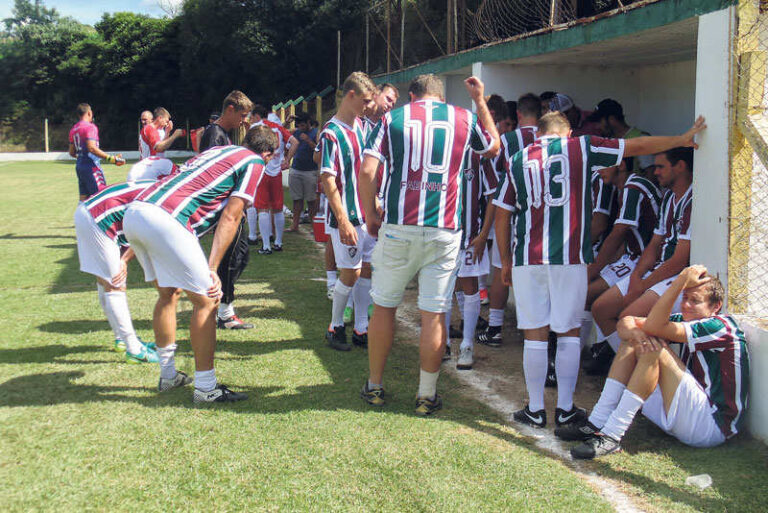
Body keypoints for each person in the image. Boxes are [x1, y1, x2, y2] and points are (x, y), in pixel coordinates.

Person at [493, 112, 706, 429]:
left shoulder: (518, 158)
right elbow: (635, 146)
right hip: (570, 256)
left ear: (538, 134)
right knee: (568, 331)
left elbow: (502, 214)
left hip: (527, 256)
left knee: (534, 333)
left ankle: (536, 409)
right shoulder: (580, 147)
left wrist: (506, 260)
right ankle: (564, 408)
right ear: (566, 133)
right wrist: (679, 139)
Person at [358, 73, 500, 415]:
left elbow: (366, 172)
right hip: (445, 229)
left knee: (384, 307)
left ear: (412, 96)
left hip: (399, 225)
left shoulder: (392, 117)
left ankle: (375, 386)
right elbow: (493, 147)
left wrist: (369, 214)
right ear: (442, 96)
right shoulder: (463, 117)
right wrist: (480, 101)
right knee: (434, 314)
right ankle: (426, 394)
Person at [122, 126, 276, 403]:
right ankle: (206, 388)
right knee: (207, 300)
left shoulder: (219, 150)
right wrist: (212, 267)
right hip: (168, 218)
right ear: (267, 154)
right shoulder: (253, 162)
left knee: (168, 294)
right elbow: (231, 216)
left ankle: (168, 375)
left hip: (136, 210)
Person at [558, 266, 749, 459]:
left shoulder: (721, 326)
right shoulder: (685, 321)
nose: (686, 306)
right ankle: (596, 423)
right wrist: (635, 333)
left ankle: (612, 435)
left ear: (716, 306)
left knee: (652, 346)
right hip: (689, 413)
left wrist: (679, 281)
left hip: (712, 425)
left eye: (695, 301)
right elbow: (626, 322)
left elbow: (653, 325)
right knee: (637, 339)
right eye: (684, 298)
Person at [591, 147, 695, 367]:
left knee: (628, 319)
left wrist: (641, 286)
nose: (655, 172)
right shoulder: (669, 196)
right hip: (650, 268)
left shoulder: (694, 199)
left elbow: (679, 260)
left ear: (681, 166)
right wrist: (637, 277)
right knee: (601, 309)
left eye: (660, 167)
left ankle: (640, 378)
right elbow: (655, 244)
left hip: (677, 277)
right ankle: (628, 369)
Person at [581, 157, 662, 374]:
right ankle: (599, 351)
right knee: (588, 296)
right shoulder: (625, 187)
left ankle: (624, 365)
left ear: (622, 165)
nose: (599, 171)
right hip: (632, 257)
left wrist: (593, 270)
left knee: (591, 297)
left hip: (645, 261)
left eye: (603, 165)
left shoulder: (634, 187)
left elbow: (618, 234)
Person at [319, 72, 378, 351]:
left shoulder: (363, 128)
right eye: (365, 101)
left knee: (365, 271)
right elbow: (328, 178)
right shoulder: (331, 133)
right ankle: (335, 326)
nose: (368, 106)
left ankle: (361, 327)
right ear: (350, 96)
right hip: (347, 217)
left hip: (366, 216)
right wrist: (342, 220)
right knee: (350, 274)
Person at [477, 92, 541, 347]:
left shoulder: (509, 140)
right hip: (546, 218)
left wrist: (484, 231)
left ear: (518, 115)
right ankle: (539, 333)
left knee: (501, 269)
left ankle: (495, 328)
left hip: (514, 214)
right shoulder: (557, 139)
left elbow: (500, 186)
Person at [74, 180, 159, 362]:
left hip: (91, 212)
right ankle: (133, 349)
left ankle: (122, 338)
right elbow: (143, 234)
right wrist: (125, 259)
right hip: (98, 218)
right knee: (115, 284)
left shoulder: (159, 185)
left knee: (104, 281)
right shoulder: (164, 196)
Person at [199, 91, 255, 330]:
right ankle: (223, 312)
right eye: (242, 115)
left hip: (232, 208)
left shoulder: (224, 136)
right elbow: (212, 174)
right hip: (226, 211)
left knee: (241, 256)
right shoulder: (214, 134)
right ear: (229, 109)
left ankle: (220, 306)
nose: (244, 121)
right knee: (232, 259)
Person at [450, 151, 498, 369]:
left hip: (470, 236)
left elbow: (492, 196)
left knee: (469, 284)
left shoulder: (478, 156)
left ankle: (467, 345)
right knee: (442, 287)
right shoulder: (437, 144)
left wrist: (484, 233)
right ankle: (443, 342)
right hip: (441, 233)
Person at [248, 104, 298, 253]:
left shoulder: (256, 128)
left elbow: (248, 147)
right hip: (276, 170)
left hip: (262, 169)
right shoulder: (277, 127)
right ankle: (278, 242)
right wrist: (287, 159)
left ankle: (266, 245)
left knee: (262, 207)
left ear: (257, 116)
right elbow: (295, 142)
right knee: (277, 208)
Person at [68, 103, 125, 201]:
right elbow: (92, 148)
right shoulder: (90, 127)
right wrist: (111, 159)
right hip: (92, 167)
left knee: (84, 199)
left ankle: (80, 216)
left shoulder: (73, 129)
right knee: (101, 198)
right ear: (89, 113)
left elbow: (72, 152)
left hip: (80, 166)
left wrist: (82, 157)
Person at [589, 98, 654, 173]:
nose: (597, 127)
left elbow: (651, 174)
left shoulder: (641, 139)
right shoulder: (609, 142)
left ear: (612, 119)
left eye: (599, 122)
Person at [284, 113, 319, 232]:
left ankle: (314, 227)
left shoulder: (316, 133)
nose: (301, 128)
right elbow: (281, 132)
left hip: (310, 171)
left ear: (309, 122)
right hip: (296, 169)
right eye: (299, 125)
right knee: (297, 199)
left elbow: (319, 149)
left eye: (303, 125)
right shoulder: (297, 131)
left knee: (311, 201)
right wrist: (287, 122)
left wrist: (308, 140)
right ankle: (295, 225)